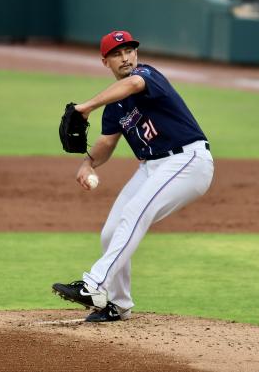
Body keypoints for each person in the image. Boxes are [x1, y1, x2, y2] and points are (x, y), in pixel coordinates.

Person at [52, 30, 214, 322]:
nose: (125, 57)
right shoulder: (115, 106)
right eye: (116, 53)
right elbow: (107, 142)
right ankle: (118, 303)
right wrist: (88, 163)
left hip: (187, 160)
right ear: (105, 62)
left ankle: (94, 284)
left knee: (135, 213)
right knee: (111, 231)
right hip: (153, 166)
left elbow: (134, 84)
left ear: (136, 54)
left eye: (129, 50)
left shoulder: (147, 74)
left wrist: (87, 106)